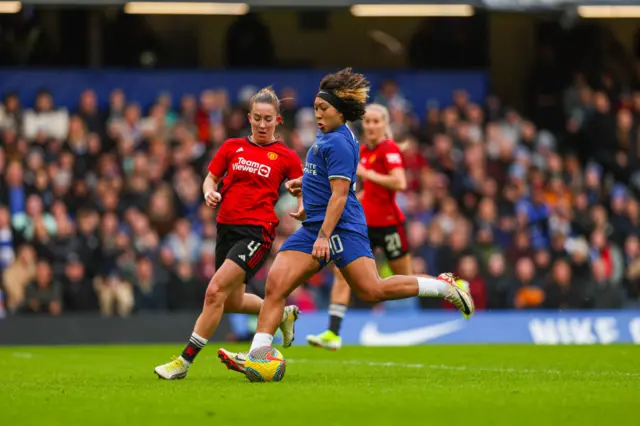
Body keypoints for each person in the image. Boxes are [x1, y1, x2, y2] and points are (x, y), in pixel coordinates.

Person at [218, 68, 474, 373]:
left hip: (341, 227)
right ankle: (258, 353)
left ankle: (444, 286)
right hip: (316, 224)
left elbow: (340, 196)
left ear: (340, 111)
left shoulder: (339, 143)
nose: (317, 114)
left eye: (323, 109)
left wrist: (325, 236)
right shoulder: (327, 134)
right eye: (315, 108)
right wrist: (306, 188)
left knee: (372, 290)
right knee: (276, 284)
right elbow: (328, 183)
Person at [154, 87, 304, 380]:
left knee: (214, 292)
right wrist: (209, 193)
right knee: (233, 302)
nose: (262, 125)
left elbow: (302, 188)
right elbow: (210, 179)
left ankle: (183, 363)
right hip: (225, 228)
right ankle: (283, 314)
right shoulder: (231, 147)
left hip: (256, 233)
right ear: (249, 117)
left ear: (278, 120)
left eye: (268, 119)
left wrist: (301, 207)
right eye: (257, 118)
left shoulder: (285, 156)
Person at [306, 103, 413, 350]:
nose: (372, 126)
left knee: (405, 278)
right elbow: (359, 189)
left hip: (388, 226)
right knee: (342, 273)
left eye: (376, 121)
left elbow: (400, 182)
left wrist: (367, 173)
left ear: (385, 125)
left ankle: (446, 285)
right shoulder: (361, 150)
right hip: (363, 224)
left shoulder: (389, 149)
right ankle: (333, 333)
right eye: (368, 121)